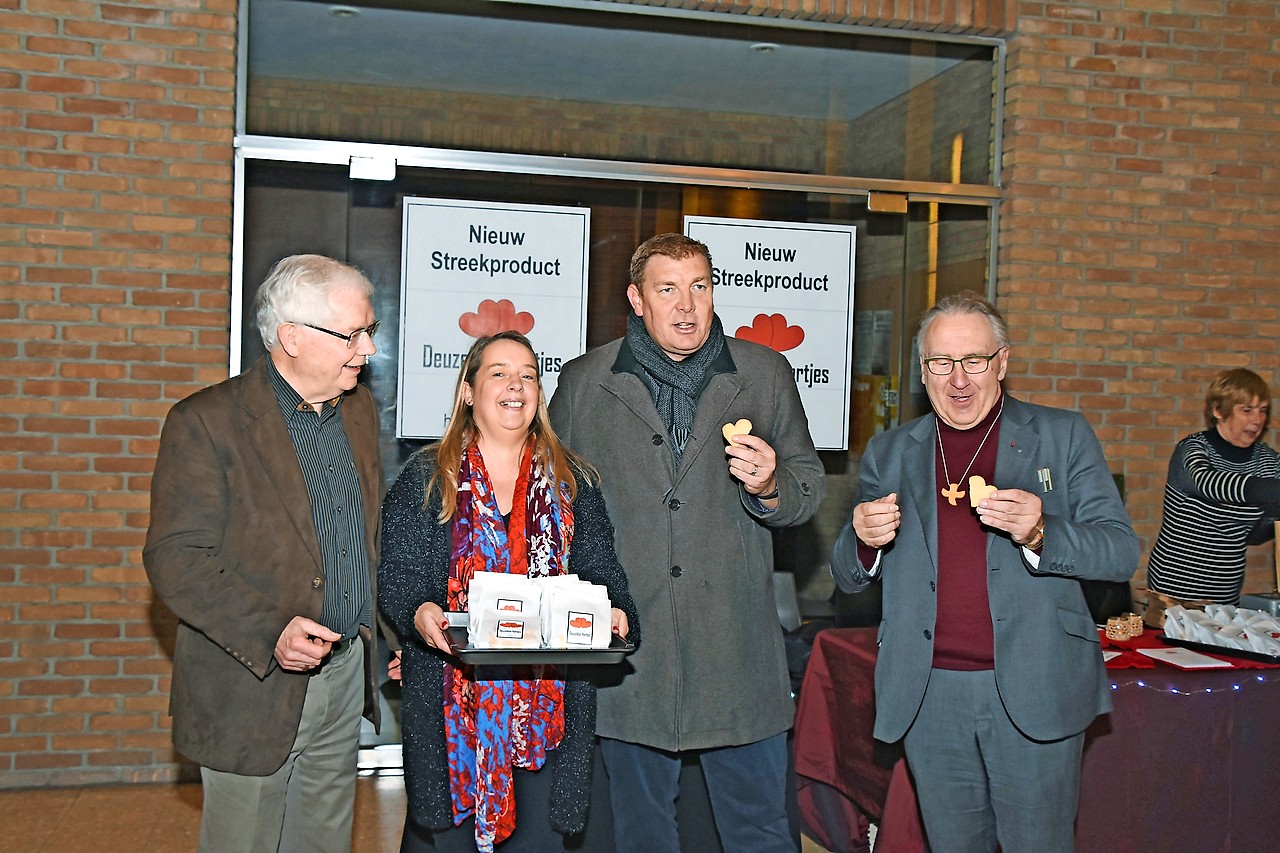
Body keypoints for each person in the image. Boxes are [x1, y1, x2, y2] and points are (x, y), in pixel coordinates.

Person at [829, 291, 1138, 853]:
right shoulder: (890, 451)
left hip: (1035, 688)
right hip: (928, 696)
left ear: (1003, 362)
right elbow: (848, 574)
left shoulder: (1062, 435)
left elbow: (1119, 551)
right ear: (923, 373)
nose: (959, 379)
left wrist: (1043, 533)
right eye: (941, 363)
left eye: (974, 360)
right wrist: (865, 542)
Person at [548, 233, 825, 852]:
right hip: (631, 657)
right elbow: (555, 509)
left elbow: (808, 491)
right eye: (667, 289)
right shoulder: (585, 382)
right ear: (636, 299)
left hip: (736, 655)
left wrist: (772, 482)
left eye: (699, 287)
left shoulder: (763, 373)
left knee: (761, 832)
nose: (686, 305)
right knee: (642, 836)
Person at [143, 254, 384, 852]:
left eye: (369, 331)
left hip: (344, 671)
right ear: (291, 338)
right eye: (353, 333)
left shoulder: (357, 411)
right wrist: (270, 629)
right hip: (253, 680)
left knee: (324, 841)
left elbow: (361, 539)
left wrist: (388, 633)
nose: (368, 350)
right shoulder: (206, 422)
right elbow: (176, 556)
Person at [378, 331, 639, 853]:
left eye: (527, 374)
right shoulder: (426, 479)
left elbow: (601, 567)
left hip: (549, 711)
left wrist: (616, 610)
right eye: (498, 372)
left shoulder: (573, 481)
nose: (515, 385)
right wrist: (419, 611)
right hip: (453, 709)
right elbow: (397, 576)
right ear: (469, 391)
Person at [1146, 368, 1280, 604]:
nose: (1257, 419)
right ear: (1219, 410)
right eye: (1246, 410)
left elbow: (1261, 529)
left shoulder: (1267, 461)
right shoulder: (1193, 449)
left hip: (1225, 592)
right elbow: (1210, 483)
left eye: (1263, 411)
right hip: (1173, 590)